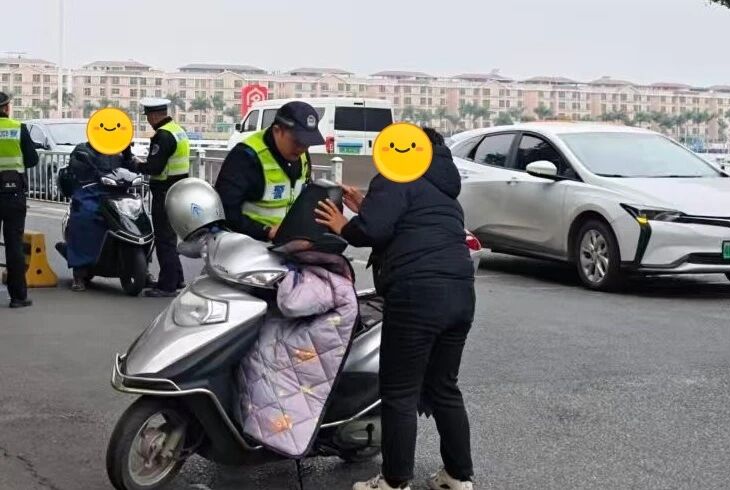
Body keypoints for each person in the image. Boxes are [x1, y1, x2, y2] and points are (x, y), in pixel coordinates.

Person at [315, 128, 476, 490]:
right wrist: (366, 208)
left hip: (416, 295)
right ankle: (457, 477)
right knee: (444, 387)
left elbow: (373, 231)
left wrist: (344, 225)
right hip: (460, 294)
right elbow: (401, 222)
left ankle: (394, 482)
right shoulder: (443, 186)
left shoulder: (397, 175)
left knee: (399, 393)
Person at [214, 101, 324, 242]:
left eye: (307, 143)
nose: (302, 148)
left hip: (288, 243)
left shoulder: (302, 155)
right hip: (247, 243)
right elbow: (224, 209)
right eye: (297, 141)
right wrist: (266, 231)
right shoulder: (246, 156)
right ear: (277, 130)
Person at [62, 142, 137, 291]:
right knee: (85, 216)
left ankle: (141, 268)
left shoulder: (119, 148)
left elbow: (133, 168)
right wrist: (87, 166)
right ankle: (79, 272)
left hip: (117, 192)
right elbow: (75, 167)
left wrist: (128, 154)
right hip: (91, 192)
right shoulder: (83, 149)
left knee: (135, 216)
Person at [135, 97, 189, 297]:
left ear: (154, 116)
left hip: (165, 192)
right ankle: (177, 279)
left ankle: (167, 286)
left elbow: (155, 168)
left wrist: (135, 164)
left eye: (148, 117)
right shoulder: (178, 130)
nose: (148, 121)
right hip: (178, 190)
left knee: (164, 239)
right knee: (170, 237)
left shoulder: (163, 136)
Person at [0, 92, 39, 308]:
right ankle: (18, 297)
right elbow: (32, 159)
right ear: (6, 108)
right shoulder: (18, 128)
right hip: (13, 193)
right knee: (14, 245)